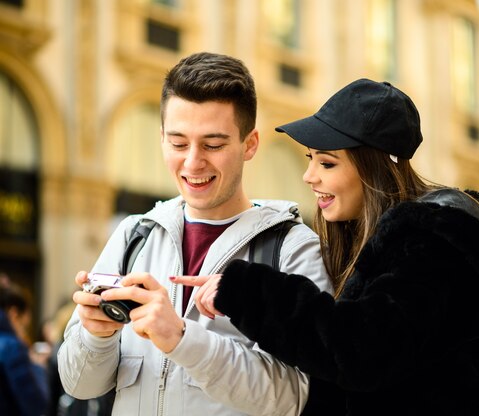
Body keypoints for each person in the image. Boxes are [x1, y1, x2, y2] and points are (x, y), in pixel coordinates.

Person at [173, 78, 479, 415]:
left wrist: (247, 291)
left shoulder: (432, 242)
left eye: (327, 163)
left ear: (373, 167)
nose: (309, 176)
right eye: (310, 159)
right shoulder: (374, 238)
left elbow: (362, 350)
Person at [57, 52, 331, 416]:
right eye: (178, 143)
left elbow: (292, 398)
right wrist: (96, 335)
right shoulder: (133, 235)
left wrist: (181, 338)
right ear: (161, 138)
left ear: (250, 144)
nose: (192, 163)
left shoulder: (295, 248)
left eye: (213, 145)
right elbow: (79, 384)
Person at [0, 274, 49, 416]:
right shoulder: (11, 347)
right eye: (23, 326)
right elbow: (37, 404)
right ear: (14, 314)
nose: (23, 333)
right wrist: (37, 366)